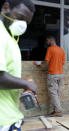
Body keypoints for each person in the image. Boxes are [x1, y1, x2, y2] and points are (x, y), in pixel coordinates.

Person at [0, 0, 37, 130]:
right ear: (6, 8)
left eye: (26, 22)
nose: (22, 25)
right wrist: (26, 84)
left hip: (10, 117)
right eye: (20, 17)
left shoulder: (9, 36)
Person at [35, 36, 66, 117]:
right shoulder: (61, 50)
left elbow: (46, 61)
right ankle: (55, 110)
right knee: (57, 93)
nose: (46, 42)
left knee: (53, 93)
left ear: (51, 40)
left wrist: (39, 63)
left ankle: (58, 111)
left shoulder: (50, 49)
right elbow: (63, 63)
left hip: (53, 74)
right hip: (60, 74)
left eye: (47, 40)